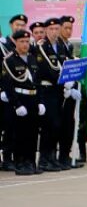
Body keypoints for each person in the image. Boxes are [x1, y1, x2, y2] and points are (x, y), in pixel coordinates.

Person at [1, 30, 45, 175]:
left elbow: (37, 83)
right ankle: (20, 164)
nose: (25, 44)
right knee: (20, 135)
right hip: (20, 101)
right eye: (22, 42)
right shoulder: (9, 60)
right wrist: (17, 104)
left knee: (33, 134)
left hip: (32, 100)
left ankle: (31, 162)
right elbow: (8, 85)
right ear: (15, 42)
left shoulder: (32, 58)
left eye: (27, 41)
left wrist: (40, 102)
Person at [35, 18, 71, 172]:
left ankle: (52, 157)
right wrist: (62, 80)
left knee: (58, 125)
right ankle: (44, 158)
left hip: (59, 91)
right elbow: (45, 70)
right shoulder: (41, 47)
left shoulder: (62, 46)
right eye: (51, 29)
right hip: (47, 90)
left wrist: (71, 82)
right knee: (49, 125)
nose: (55, 32)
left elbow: (67, 65)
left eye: (57, 29)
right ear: (46, 31)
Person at [1, 14, 29, 171]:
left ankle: (18, 158)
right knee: (8, 126)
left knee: (20, 128)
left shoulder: (24, 46)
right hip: (6, 93)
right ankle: (6, 158)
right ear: (11, 26)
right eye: (17, 24)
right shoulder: (3, 45)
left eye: (23, 25)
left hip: (22, 93)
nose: (20, 27)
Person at [58, 15, 84, 168]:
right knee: (60, 125)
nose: (68, 31)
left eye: (70, 28)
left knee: (69, 124)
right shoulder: (57, 46)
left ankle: (66, 155)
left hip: (70, 91)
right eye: (66, 28)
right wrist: (65, 87)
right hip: (60, 92)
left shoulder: (68, 46)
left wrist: (73, 87)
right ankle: (60, 156)